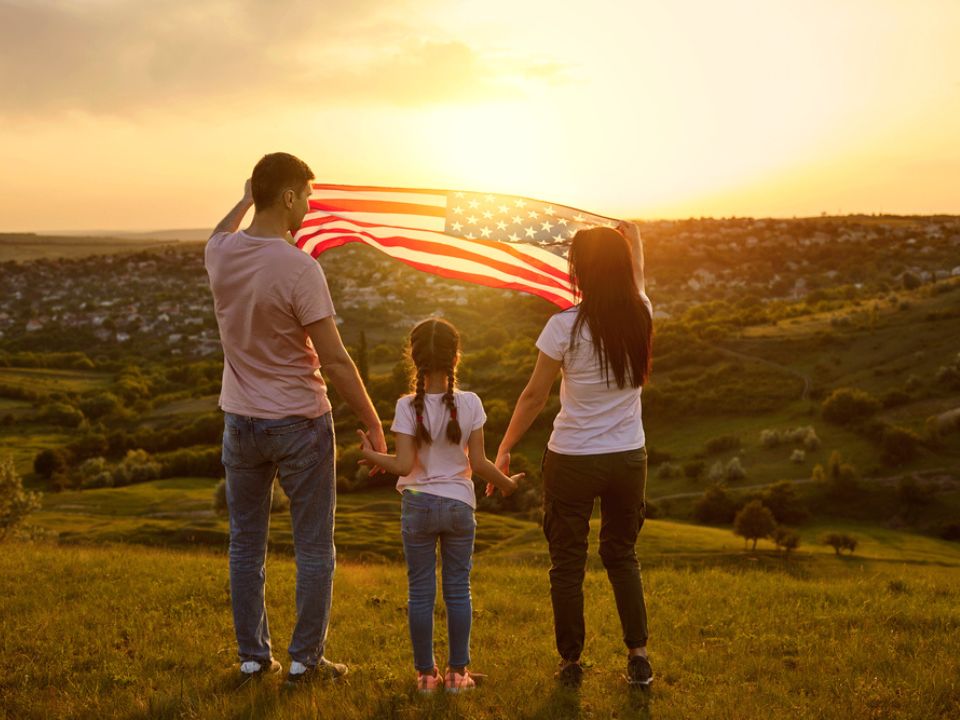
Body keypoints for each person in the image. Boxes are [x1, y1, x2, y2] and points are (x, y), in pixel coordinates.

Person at [205, 152, 386, 685]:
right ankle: (305, 661)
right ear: (287, 197)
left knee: (245, 544)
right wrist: (374, 423)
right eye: (306, 195)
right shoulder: (300, 267)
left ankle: (252, 657)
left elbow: (219, 230)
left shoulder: (220, 253)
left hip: (240, 422)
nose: (309, 205)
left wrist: (243, 198)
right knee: (312, 547)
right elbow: (334, 359)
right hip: (300, 422)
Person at [495, 221, 654, 689]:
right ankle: (638, 655)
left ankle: (570, 663)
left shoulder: (563, 326)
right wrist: (637, 245)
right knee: (622, 556)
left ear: (580, 270)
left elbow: (533, 397)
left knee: (567, 561)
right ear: (623, 268)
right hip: (628, 458)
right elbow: (639, 283)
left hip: (573, 459)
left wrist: (503, 448)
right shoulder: (641, 314)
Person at [357, 318, 523, 694]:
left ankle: (426, 678)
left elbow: (401, 466)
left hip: (417, 506)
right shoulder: (471, 403)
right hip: (459, 506)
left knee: (419, 592)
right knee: (457, 590)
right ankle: (457, 675)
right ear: (456, 357)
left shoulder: (405, 406)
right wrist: (508, 484)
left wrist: (372, 455)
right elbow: (479, 465)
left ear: (414, 360)